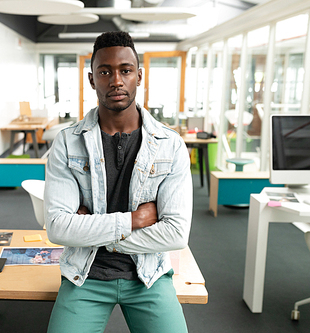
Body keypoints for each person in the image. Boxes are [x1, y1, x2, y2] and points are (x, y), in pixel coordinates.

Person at [44, 31, 192, 333]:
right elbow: (58, 228)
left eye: (125, 70)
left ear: (139, 76)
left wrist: (92, 232)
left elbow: (176, 235)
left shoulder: (170, 145)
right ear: (91, 79)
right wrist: (135, 220)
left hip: (147, 275)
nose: (116, 80)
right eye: (105, 71)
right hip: (85, 274)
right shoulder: (67, 143)